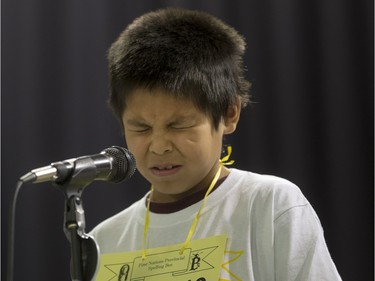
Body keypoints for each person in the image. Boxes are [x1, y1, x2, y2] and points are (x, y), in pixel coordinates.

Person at [90, 7, 342, 280]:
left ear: (229, 113)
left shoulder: (270, 205)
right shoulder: (103, 240)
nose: (159, 146)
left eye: (179, 125)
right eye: (141, 128)